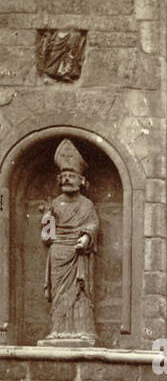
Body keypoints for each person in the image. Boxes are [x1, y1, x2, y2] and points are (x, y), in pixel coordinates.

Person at [42, 139, 98, 343]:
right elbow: (47, 235)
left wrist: (85, 238)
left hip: (78, 252)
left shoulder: (87, 204)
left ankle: (83, 331)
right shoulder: (54, 203)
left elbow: (92, 225)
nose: (67, 180)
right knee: (59, 295)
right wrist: (47, 218)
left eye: (72, 176)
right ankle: (57, 331)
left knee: (79, 293)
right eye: (64, 176)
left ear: (81, 181)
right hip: (58, 252)